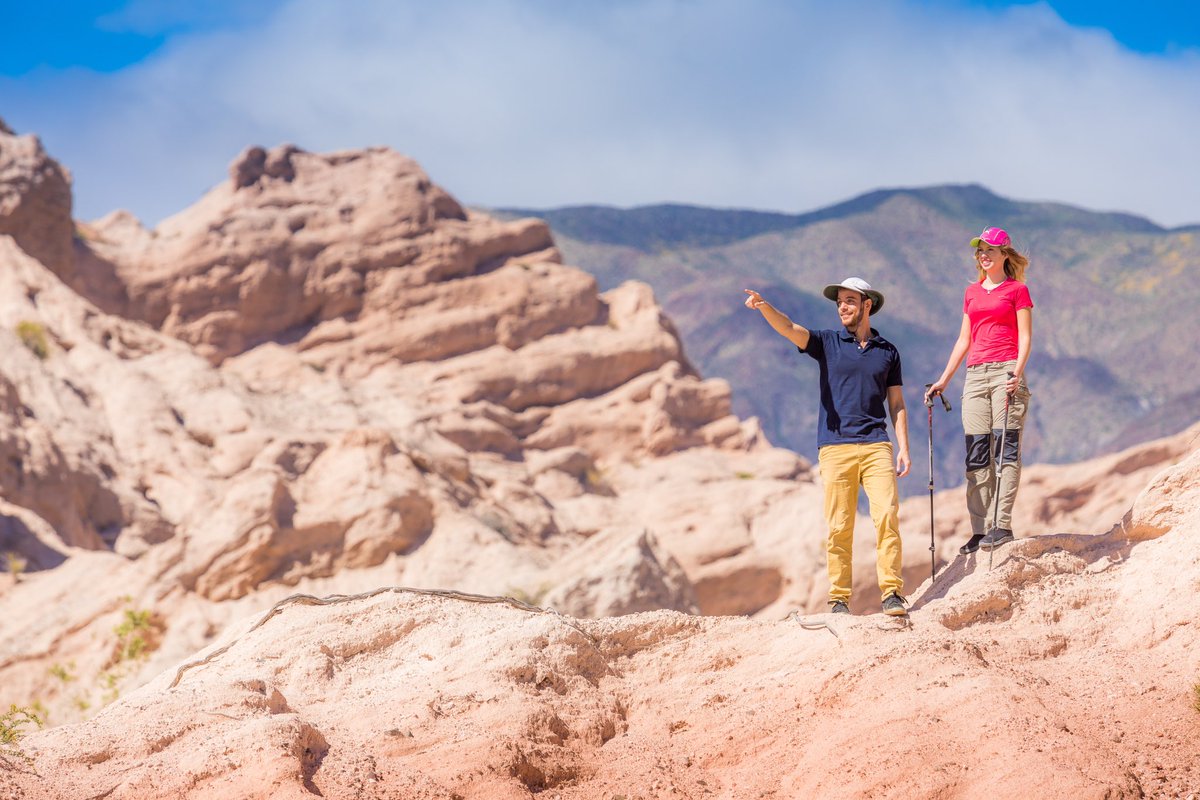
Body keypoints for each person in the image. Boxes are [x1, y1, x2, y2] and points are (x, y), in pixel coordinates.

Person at [744, 277, 911, 617]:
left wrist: (904, 447)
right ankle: (838, 599)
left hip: (877, 444)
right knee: (839, 526)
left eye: (849, 301)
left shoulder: (888, 351)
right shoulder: (827, 342)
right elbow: (789, 328)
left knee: (887, 517)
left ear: (867, 305)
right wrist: (764, 307)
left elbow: (896, 403)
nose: (842, 308)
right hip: (835, 448)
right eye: (839, 303)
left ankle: (892, 593)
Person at [925, 227, 1033, 555]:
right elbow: (964, 339)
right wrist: (944, 379)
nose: (984, 255)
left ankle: (1001, 525)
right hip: (974, 376)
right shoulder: (971, 292)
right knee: (977, 455)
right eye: (980, 250)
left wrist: (1016, 373)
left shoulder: (1017, 290)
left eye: (990, 250)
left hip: (1006, 372)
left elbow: (1025, 336)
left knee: (1005, 451)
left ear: (1004, 255)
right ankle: (980, 529)